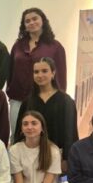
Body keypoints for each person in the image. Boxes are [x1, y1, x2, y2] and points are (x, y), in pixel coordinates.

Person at [8, 8, 66, 136]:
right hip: (18, 100)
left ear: (43, 21)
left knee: (45, 136)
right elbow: (11, 71)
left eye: (35, 19)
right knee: (17, 137)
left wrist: (59, 100)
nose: (31, 22)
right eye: (27, 21)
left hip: (45, 100)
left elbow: (61, 75)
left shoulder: (55, 47)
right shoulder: (17, 46)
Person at [14, 57, 78, 172]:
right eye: (36, 72)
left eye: (44, 71)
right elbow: (19, 131)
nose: (40, 75)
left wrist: (66, 159)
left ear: (53, 73)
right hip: (30, 157)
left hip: (56, 157)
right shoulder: (28, 102)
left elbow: (70, 132)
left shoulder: (66, 101)